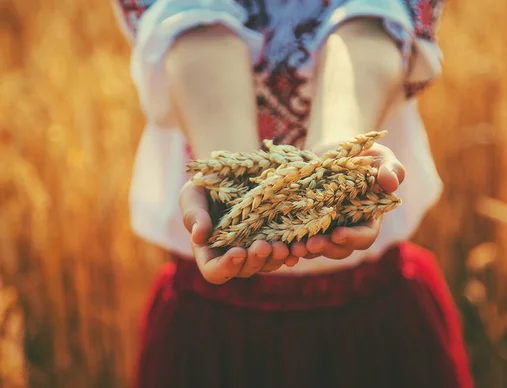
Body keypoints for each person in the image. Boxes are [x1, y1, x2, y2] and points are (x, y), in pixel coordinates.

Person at [113, 1, 473, 387]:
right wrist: (233, 175)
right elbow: (195, 25)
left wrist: (338, 155)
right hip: (212, 326)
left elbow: (371, 23)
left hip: (375, 310)